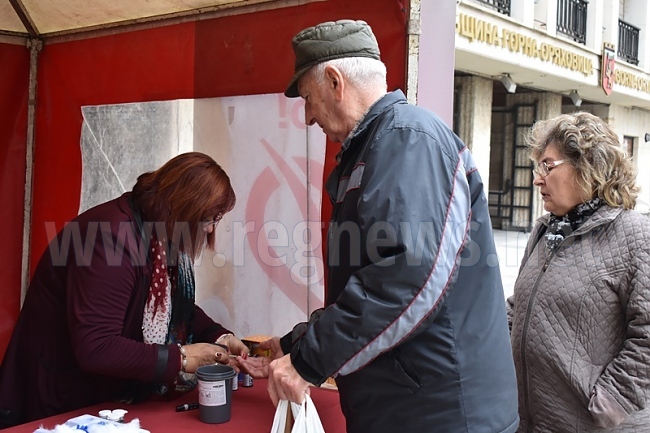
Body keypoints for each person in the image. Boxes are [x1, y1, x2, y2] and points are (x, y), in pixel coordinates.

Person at [240, 19, 519, 433]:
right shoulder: (379, 146)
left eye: (308, 99)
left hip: (441, 415)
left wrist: (309, 360)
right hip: (413, 405)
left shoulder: (409, 140)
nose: (308, 116)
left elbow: (408, 277)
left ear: (335, 81)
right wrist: (293, 343)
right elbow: (369, 281)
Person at [0, 152, 249, 427]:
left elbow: (174, 307)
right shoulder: (108, 238)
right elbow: (97, 346)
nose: (212, 229)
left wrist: (218, 337)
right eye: (211, 218)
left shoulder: (157, 232)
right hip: (63, 402)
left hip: (104, 397)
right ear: (186, 209)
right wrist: (183, 358)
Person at [508, 112, 650, 431]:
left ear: (588, 166)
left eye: (548, 165)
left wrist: (610, 404)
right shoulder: (546, 231)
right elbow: (520, 307)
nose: (537, 178)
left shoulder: (636, 235)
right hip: (532, 421)